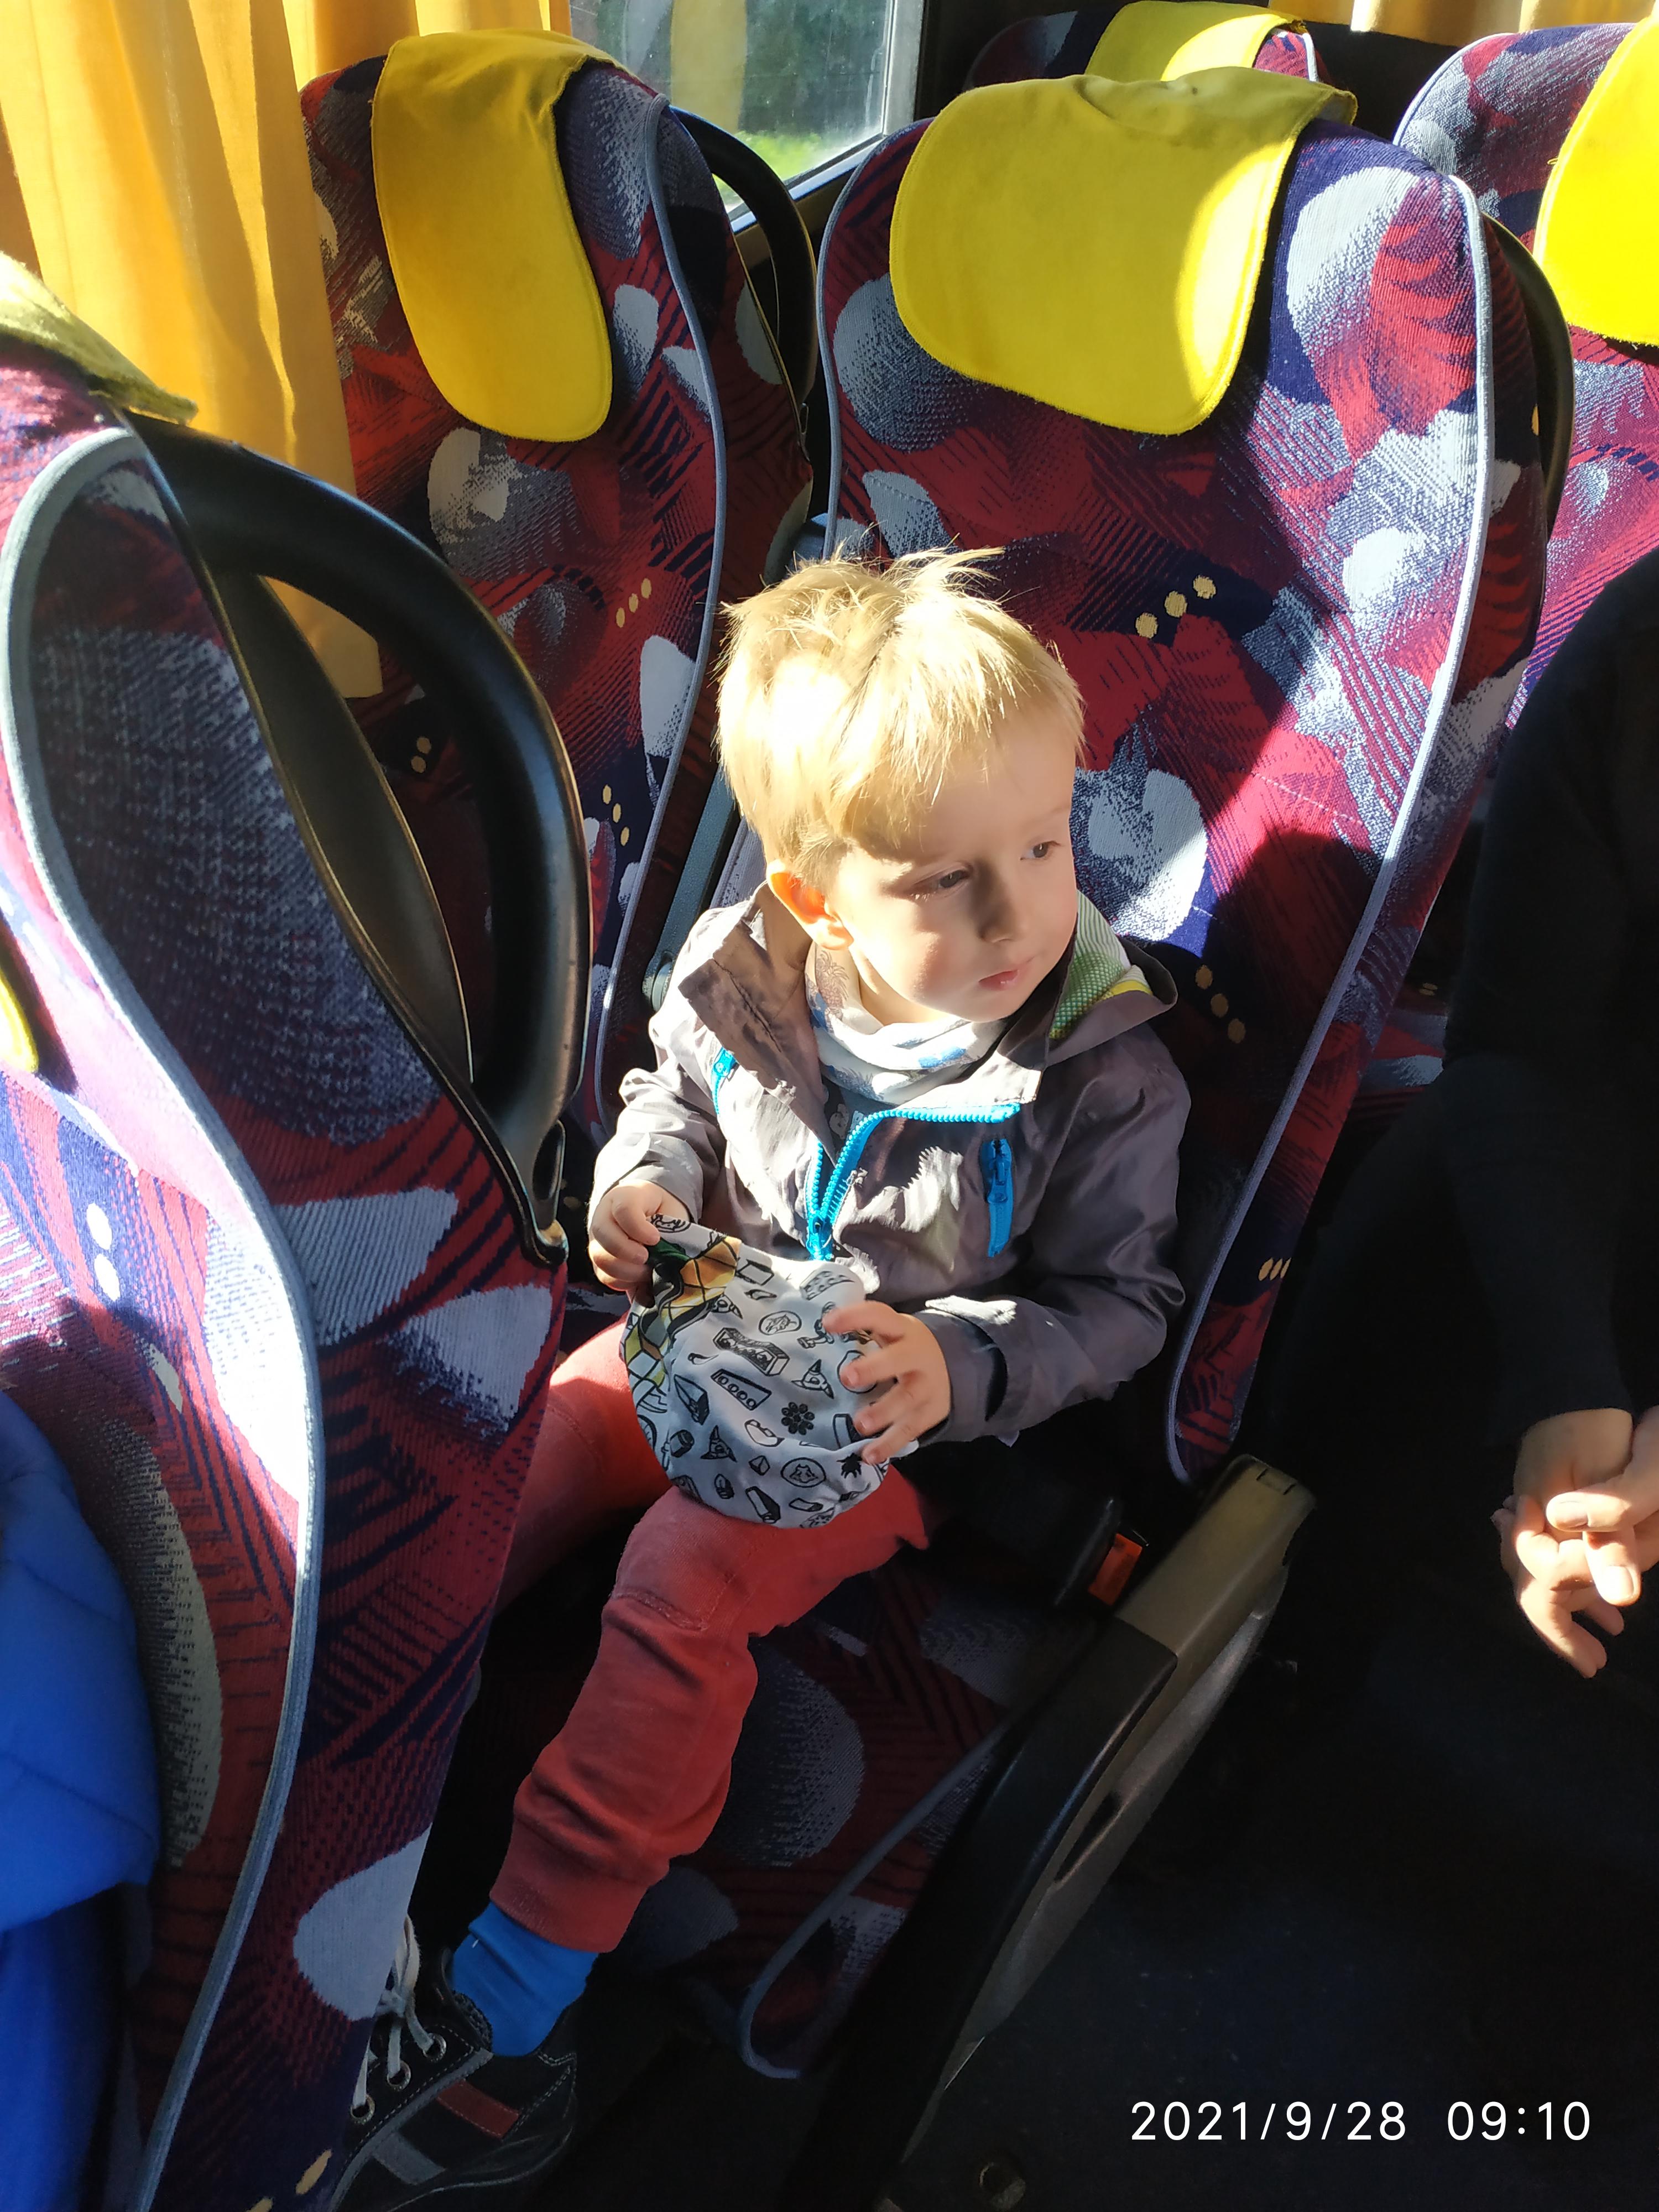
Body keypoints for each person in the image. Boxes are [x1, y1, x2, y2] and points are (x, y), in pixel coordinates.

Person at [336, 550, 1189, 2208]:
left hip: (872, 1425)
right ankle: (341, 1795)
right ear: (820, 899)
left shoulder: (1098, 1078)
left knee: (684, 1573)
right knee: (516, 1462)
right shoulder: (750, 964)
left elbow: (1122, 1305)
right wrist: (641, 1184)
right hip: (697, 1325)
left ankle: (515, 1998)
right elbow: (671, 1092)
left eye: (1044, 846)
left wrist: (956, 1362)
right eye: (947, 880)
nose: (1019, 915)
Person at [1257, 546, 1659, 1691]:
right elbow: (1525, 1037)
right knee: (1372, 1338)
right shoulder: (1641, 651)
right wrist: (1566, 1376)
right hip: (1578, 1131)